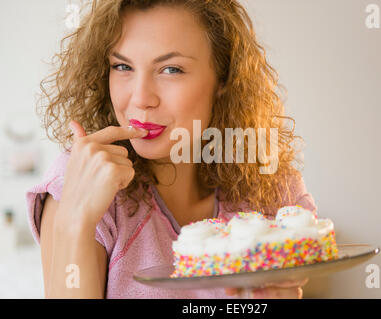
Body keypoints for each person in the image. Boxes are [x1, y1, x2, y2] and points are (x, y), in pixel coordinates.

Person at [26, 0, 317, 299]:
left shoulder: (274, 190)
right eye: (122, 66)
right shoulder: (81, 181)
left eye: (170, 69)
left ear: (224, 77)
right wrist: (75, 220)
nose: (140, 99)